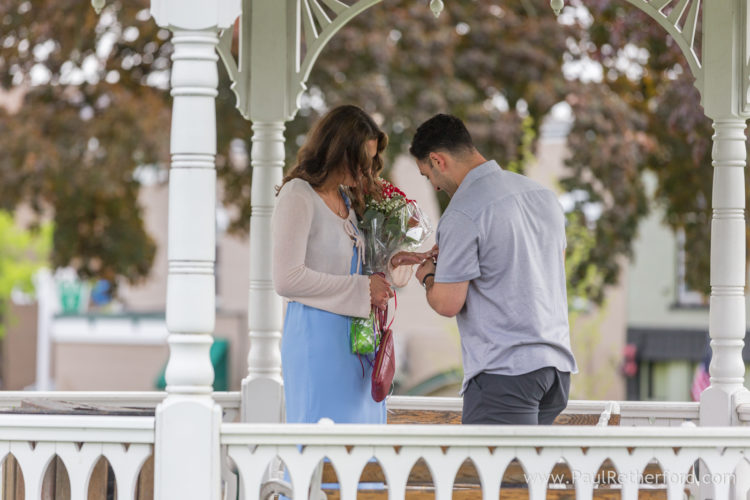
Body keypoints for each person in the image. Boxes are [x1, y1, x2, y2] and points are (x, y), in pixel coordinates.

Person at [408, 114, 578, 425]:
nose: (432, 185)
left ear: (437, 160)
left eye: (426, 175)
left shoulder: (462, 212)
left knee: (492, 474)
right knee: (527, 472)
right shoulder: (542, 196)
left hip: (506, 375)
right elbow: (540, 269)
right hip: (556, 371)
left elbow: (447, 303)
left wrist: (429, 274)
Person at [272, 104, 397, 425]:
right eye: (363, 158)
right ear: (340, 149)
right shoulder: (298, 195)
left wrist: (395, 259)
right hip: (317, 342)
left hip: (356, 342)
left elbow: (359, 271)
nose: (368, 168)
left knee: (363, 447)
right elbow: (286, 279)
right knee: (324, 444)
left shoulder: (348, 201)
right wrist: (361, 289)